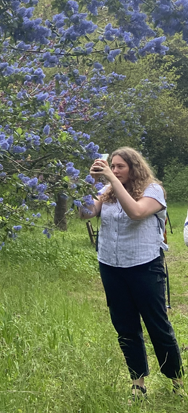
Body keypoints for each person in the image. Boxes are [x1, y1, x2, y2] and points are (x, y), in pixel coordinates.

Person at [79, 147, 184, 401]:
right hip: (111, 266)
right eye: (111, 166)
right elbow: (85, 213)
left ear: (133, 167)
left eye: (119, 167)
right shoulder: (107, 192)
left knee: (157, 325)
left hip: (144, 265)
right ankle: (138, 383)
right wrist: (90, 184)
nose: (114, 171)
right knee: (125, 327)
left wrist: (111, 181)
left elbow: (136, 213)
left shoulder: (153, 190)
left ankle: (177, 381)